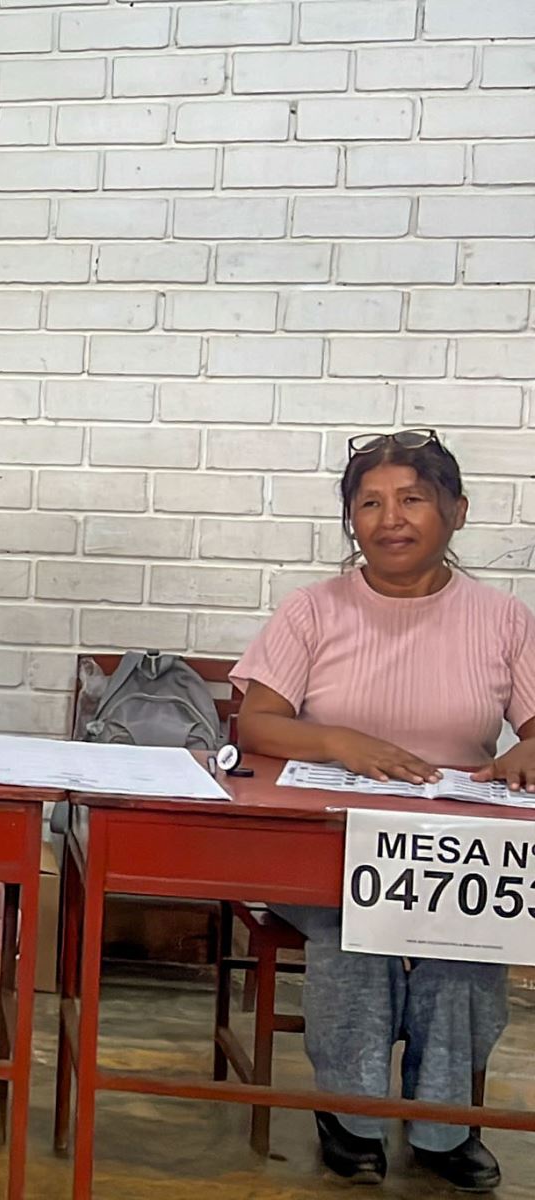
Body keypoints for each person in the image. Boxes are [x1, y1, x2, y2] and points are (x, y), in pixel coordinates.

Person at [233, 429, 535, 1192]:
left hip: (450, 850)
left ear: (456, 512)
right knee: (354, 927)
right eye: (369, 503)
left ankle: (445, 1126)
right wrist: (337, 740)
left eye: (411, 500)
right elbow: (256, 723)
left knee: (458, 936)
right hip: (325, 849)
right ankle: (352, 1113)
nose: (389, 518)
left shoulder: (504, 620)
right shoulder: (313, 610)